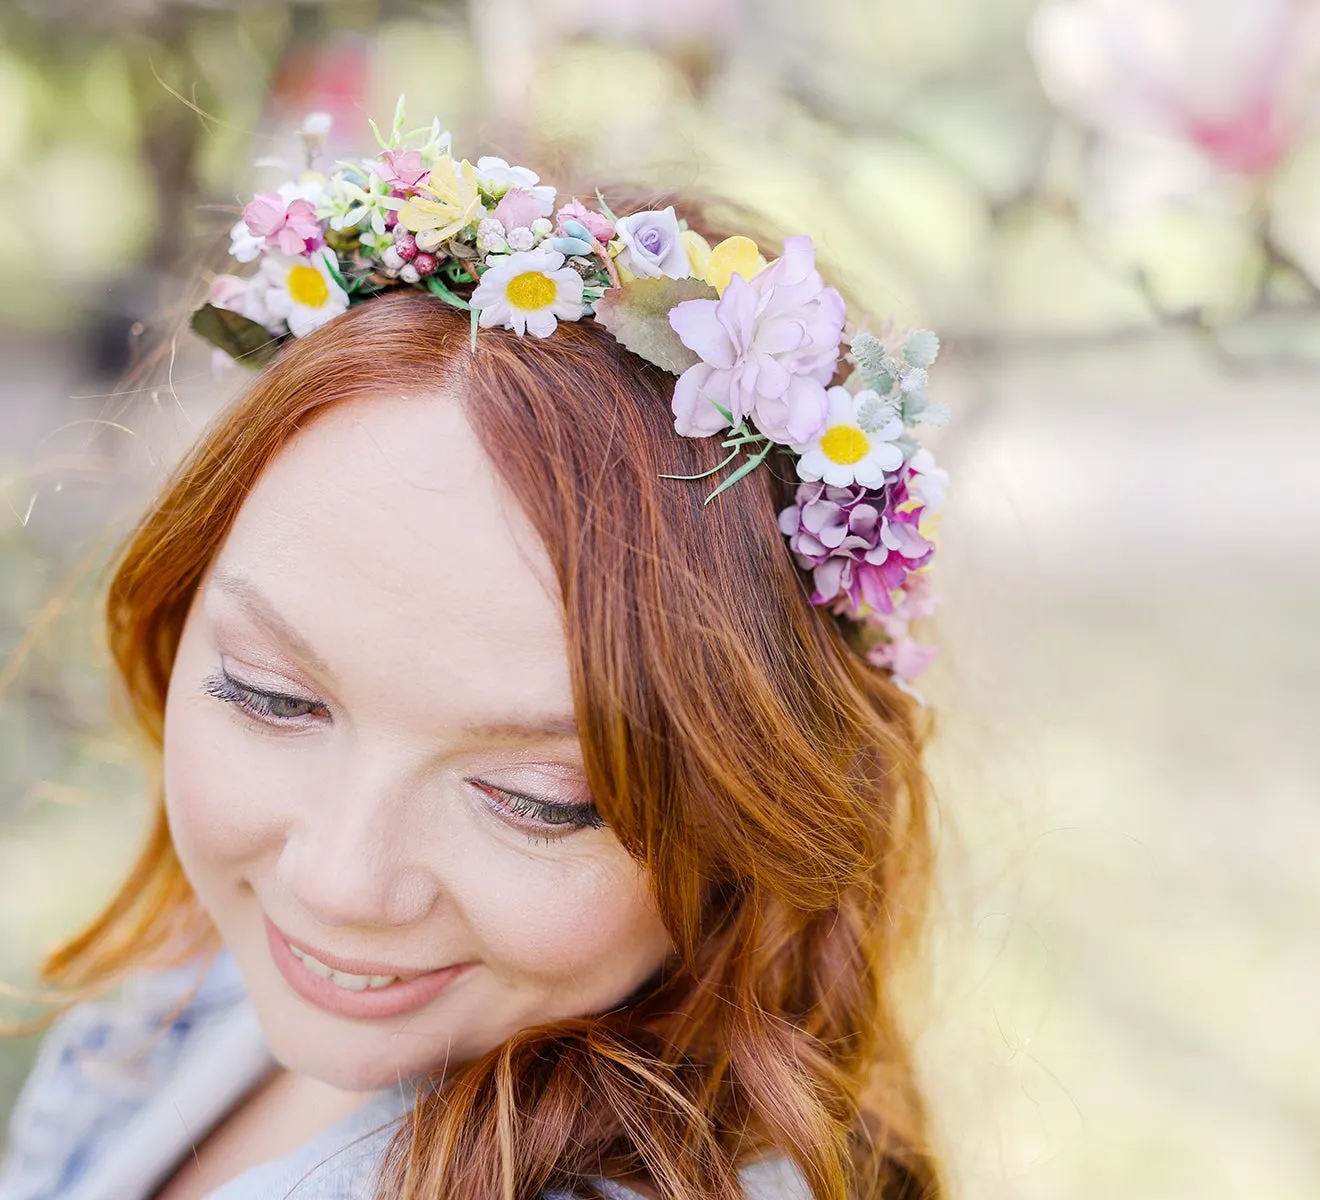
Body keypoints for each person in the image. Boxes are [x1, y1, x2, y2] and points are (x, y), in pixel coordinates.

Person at [0, 104, 949, 1200]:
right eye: (270, 698)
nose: (341, 881)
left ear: (755, 808)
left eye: (535, 797)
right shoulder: (192, 1017)